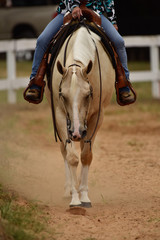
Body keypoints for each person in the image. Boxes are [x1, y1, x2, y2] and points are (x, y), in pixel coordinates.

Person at [24, 0, 134, 104]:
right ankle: (35, 82)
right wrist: (74, 6)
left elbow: (108, 1)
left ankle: (123, 83)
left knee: (119, 42)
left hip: (95, 12)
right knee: (42, 40)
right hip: (67, 11)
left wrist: (112, 20)